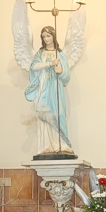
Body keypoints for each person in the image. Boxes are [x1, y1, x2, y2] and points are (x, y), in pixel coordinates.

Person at [24, 26, 74, 156]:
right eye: (43, 36)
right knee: (45, 113)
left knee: (58, 113)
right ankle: (45, 146)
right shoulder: (40, 54)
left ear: (53, 36)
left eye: (48, 36)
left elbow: (66, 77)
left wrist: (61, 71)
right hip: (44, 89)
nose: (46, 39)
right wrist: (50, 64)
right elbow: (34, 67)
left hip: (56, 89)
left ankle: (61, 145)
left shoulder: (60, 55)